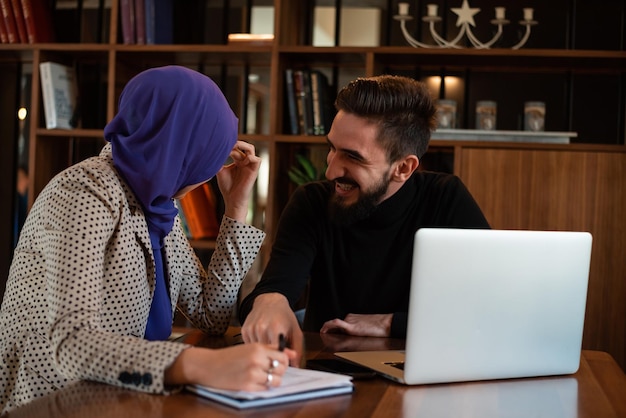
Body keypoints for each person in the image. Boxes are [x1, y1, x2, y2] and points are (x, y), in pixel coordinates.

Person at [0, 65, 295, 414]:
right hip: (54, 404)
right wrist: (203, 365)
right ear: (176, 148)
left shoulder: (157, 203)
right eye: (205, 158)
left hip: (125, 400)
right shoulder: (83, 191)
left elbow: (209, 314)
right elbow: (71, 343)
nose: (203, 176)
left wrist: (236, 208)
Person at [239, 75, 490, 360]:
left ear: (404, 168)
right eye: (332, 148)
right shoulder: (312, 202)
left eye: (353, 157)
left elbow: (489, 309)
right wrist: (270, 300)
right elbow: (276, 286)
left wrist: (390, 323)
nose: (330, 171)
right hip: (327, 373)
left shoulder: (446, 199)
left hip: (424, 368)